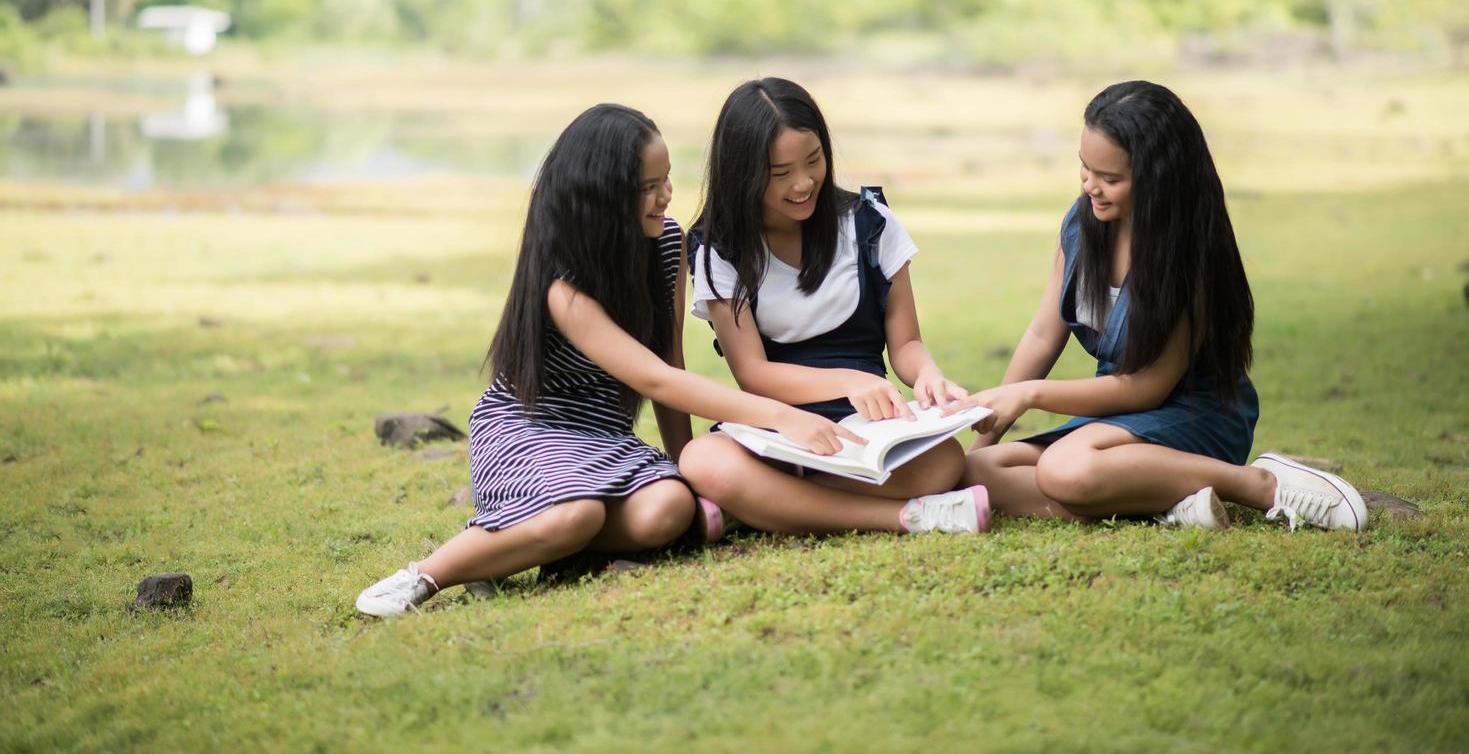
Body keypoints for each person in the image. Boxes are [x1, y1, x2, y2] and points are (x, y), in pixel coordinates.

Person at [356, 104, 966, 618]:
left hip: (603, 438)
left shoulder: (669, 244)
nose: (665, 195)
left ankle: (520, 544)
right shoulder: (563, 288)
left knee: (669, 512)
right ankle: (430, 574)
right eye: (648, 187)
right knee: (574, 516)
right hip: (533, 426)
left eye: (666, 178)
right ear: (601, 197)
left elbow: (671, 359)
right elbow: (651, 377)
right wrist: (782, 418)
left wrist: (682, 467)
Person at [963, 81, 1368, 531]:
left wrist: (1031, 395)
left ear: (1158, 177)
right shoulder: (1082, 227)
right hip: (1115, 418)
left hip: (1193, 415)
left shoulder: (1188, 254)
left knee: (1064, 470)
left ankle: (1258, 484)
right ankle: (1170, 501)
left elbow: (1146, 389)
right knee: (977, 475)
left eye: (1110, 178)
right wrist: (988, 433)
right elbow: (1042, 334)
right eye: (1085, 169)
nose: (1090, 187)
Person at [678, 78, 989, 537]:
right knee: (704, 460)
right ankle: (908, 517)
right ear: (741, 173)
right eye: (780, 173)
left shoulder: (869, 224)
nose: (803, 184)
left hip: (869, 426)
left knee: (943, 462)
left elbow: (906, 342)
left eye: (813, 161)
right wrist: (848, 380)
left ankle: (761, 505)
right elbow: (753, 374)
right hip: (778, 426)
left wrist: (928, 376)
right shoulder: (719, 249)